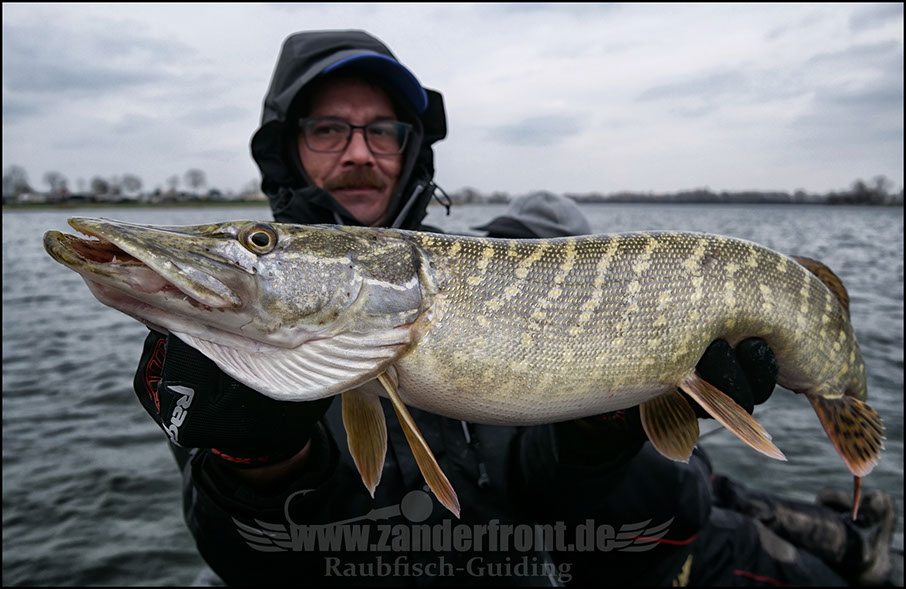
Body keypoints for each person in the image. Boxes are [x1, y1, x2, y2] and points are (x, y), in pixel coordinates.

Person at [131, 30, 896, 586]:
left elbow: (538, 478)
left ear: (411, 146)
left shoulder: (467, 267)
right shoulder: (231, 338)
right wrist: (257, 464)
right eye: (328, 128)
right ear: (286, 148)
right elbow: (264, 554)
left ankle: (854, 531)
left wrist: (606, 428)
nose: (358, 151)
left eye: (382, 130)